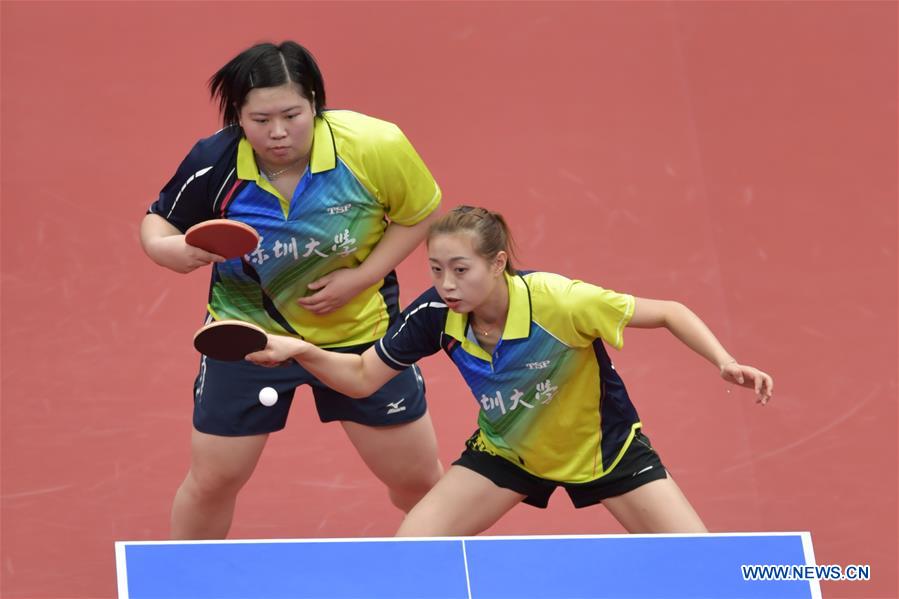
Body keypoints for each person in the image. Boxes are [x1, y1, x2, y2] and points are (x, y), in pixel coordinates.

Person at [246, 205, 774, 536]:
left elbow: (668, 311)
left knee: (701, 571)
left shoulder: (560, 303)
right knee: (413, 549)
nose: (446, 284)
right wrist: (301, 351)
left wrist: (723, 360)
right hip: (508, 452)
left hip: (606, 451)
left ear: (497, 264)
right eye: (436, 270)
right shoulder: (437, 315)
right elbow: (362, 376)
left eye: (460, 270)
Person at [139, 41, 444, 539]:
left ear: (316, 102)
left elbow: (419, 214)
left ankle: (443, 577)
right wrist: (171, 252)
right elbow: (157, 223)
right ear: (238, 115)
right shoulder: (214, 162)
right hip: (245, 338)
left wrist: (361, 277)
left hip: (358, 336)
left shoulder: (373, 146)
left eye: (292, 114)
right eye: (260, 120)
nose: (278, 133)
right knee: (214, 479)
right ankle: (186, 583)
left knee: (417, 481)